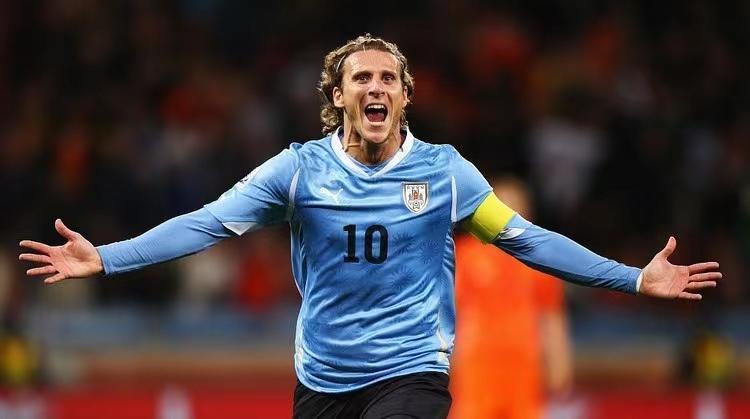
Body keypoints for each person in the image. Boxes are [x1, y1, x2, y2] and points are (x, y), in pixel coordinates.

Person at [19, 34, 721, 419]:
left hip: (412, 373)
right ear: (338, 94)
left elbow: (527, 240)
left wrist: (633, 278)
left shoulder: (446, 174)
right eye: (362, 78)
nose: (376, 87)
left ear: (406, 96)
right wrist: (106, 257)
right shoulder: (297, 172)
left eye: (389, 78)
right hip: (323, 380)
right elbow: (206, 225)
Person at [450, 177, 572, 419]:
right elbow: (448, 312)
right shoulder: (464, 255)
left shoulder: (542, 260)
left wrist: (560, 364)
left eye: (514, 208)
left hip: (524, 367)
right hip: (476, 367)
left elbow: (551, 317)